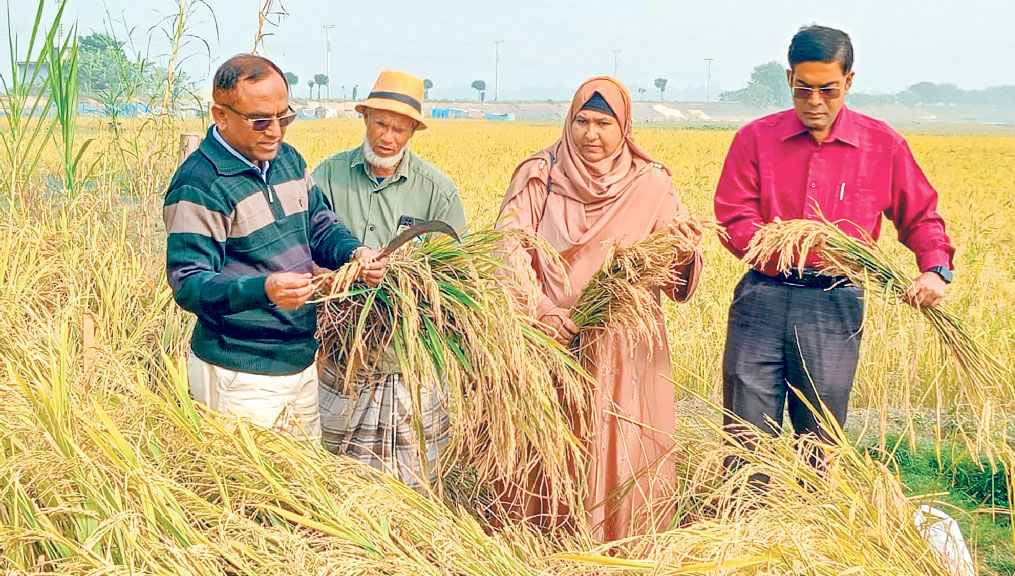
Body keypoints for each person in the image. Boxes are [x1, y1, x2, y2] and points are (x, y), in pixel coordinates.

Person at [714, 25, 955, 453]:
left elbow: (920, 215)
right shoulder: (755, 138)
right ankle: (745, 516)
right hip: (762, 299)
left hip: (834, 303)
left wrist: (935, 271)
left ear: (848, 81)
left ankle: (816, 518)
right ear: (789, 79)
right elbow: (733, 216)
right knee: (746, 432)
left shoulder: (882, 145)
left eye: (828, 90)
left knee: (821, 437)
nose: (814, 103)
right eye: (802, 89)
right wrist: (785, 242)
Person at [495, 76, 703, 541]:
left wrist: (685, 252)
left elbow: (671, 269)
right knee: (547, 442)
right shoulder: (538, 175)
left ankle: (619, 543)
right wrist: (542, 310)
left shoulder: (652, 184)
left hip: (623, 343)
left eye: (603, 123)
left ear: (624, 127)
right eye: (581, 121)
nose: (591, 134)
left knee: (622, 441)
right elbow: (507, 250)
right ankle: (536, 544)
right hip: (548, 339)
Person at [163, 54, 385, 440]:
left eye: (285, 117)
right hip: (240, 375)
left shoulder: (287, 160)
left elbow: (319, 224)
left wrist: (354, 253)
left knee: (302, 489)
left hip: (299, 362)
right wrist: (264, 290)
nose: (276, 132)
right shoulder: (200, 184)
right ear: (221, 116)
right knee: (248, 494)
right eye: (261, 121)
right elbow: (190, 284)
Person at [313, 69, 466, 490]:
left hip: (405, 360)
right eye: (380, 123)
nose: (388, 136)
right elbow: (299, 248)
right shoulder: (325, 178)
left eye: (400, 128)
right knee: (331, 471)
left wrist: (411, 292)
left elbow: (455, 277)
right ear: (365, 119)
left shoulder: (438, 192)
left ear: (414, 131)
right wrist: (329, 279)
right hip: (337, 355)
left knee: (411, 482)